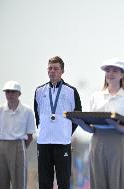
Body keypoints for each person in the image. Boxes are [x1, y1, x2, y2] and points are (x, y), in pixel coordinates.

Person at [73, 58, 124, 189]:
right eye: (108, 70)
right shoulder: (95, 96)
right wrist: (79, 121)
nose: (110, 73)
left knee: (118, 182)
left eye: (114, 70)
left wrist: (113, 123)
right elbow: (92, 129)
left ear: (122, 74)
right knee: (98, 182)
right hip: (98, 142)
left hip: (118, 142)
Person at [34, 56, 82, 189]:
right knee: (44, 182)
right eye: (50, 68)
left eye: (56, 68)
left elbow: (77, 116)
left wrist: (66, 132)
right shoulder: (39, 91)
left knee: (64, 181)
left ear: (62, 71)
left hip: (62, 142)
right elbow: (37, 116)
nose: (52, 71)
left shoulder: (71, 91)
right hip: (43, 142)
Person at [0, 80, 36, 189]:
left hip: (19, 145)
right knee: (1, 180)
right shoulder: (0, 110)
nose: (10, 94)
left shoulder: (27, 111)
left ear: (19, 93)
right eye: (7, 92)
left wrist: (22, 147)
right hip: (1, 146)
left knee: (19, 182)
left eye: (13, 92)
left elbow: (30, 135)